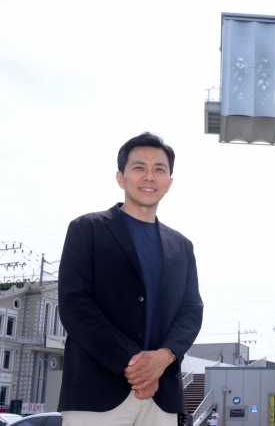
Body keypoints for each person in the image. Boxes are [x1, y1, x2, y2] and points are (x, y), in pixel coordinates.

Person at [58, 133, 204, 425]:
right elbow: (75, 305)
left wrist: (163, 358)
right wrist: (136, 365)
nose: (149, 176)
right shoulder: (87, 229)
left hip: (161, 399)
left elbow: (191, 311)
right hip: (96, 395)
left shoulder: (182, 246)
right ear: (120, 177)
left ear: (169, 183)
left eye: (159, 169)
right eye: (139, 167)